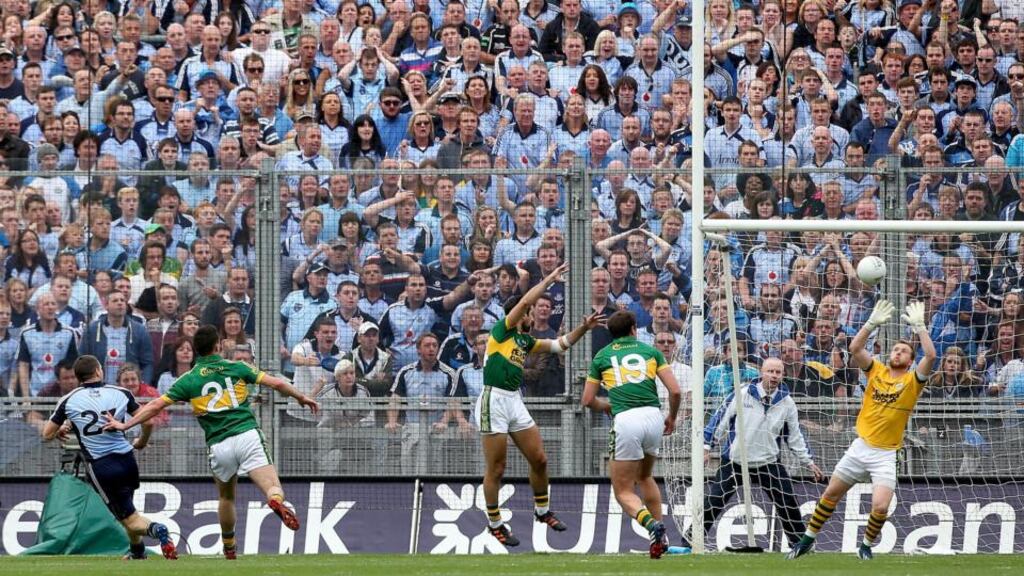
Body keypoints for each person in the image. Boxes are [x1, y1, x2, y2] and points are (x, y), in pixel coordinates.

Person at [103, 325, 320, 560]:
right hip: (247, 434)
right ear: (218, 345)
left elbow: (156, 405)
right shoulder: (237, 366)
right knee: (272, 487)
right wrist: (301, 396)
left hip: (219, 444)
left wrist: (126, 425)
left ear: (196, 350)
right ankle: (275, 502)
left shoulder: (189, 379)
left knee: (226, 497)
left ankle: (229, 547)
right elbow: (277, 384)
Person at [788, 300, 936, 560]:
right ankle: (807, 540)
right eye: (896, 350)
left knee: (880, 506)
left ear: (911, 360)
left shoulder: (913, 382)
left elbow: (931, 357)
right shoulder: (876, 371)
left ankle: (866, 546)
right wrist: (870, 324)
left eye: (903, 351)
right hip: (860, 446)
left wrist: (921, 328)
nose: (897, 353)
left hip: (886, 454)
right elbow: (855, 347)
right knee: (830, 494)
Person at [479, 262, 604, 545]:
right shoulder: (502, 332)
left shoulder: (525, 342)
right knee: (497, 468)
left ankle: (542, 510)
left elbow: (560, 345)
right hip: (493, 400)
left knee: (540, 459)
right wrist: (548, 280)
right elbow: (525, 299)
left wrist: (583, 328)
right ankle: (495, 523)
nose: (532, 313)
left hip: (514, 400)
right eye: (528, 312)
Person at [41, 355, 177, 561]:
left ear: (78, 377)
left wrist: (62, 427)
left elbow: (46, 435)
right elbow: (148, 422)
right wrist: (141, 441)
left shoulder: (68, 400)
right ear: (98, 371)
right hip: (127, 460)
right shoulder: (120, 393)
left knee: (129, 519)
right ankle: (138, 552)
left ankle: (159, 531)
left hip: (102, 466)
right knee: (129, 509)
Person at [685, 357, 823, 551]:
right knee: (713, 501)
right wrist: (707, 447)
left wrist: (808, 462)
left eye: (778, 372)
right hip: (735, 461)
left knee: (788, 501)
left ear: (783, 375)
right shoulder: (742, 395)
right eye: (770, 371)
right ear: (761, 373)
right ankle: (690, 541)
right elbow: (720, 420)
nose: (774, 376)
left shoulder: (787, 403)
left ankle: (800, 544)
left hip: (768, 462)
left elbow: (794, 436)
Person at [582, 310, 681, 559]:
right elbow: (676, 391)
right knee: (646, 476)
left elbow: (586, 400)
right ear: (634, 329)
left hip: (626, 419)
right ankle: (662, 541)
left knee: (623, 491)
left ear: (610, 333)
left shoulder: (602, 356)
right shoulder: (651, 351)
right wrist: (672, 416)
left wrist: (607, 406)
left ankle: (652, 526)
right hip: (653, 416)